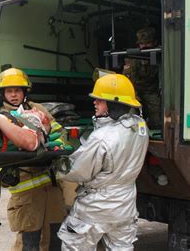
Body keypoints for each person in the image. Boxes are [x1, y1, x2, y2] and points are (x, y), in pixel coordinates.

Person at [0, 67, 68, 251]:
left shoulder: (37, 110)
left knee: (55, 242)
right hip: (25, 191)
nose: (14, 95)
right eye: (9, 91)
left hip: (52, 187)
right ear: (3, 94)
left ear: (24, 92)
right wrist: (2, 174)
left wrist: (53, 144)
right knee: (29, 244)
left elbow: (59, 133)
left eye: (17, 90)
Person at [57, 73, 149, 250]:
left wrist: (57, 165)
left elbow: (78, 171)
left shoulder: (101, 138)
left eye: (99, 100)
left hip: (95, 208)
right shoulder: (140, 126)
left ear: (113, 105)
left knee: (74, 245)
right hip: (125, 206)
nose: (94, 103)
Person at [123, 26, 161, 129]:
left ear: (154, 42)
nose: (144, 46)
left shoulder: (160, 55)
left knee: (157, 121)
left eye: (148, 43)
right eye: (142, 44)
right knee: (130, 119)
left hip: (152, 91)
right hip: (135, 91)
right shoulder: (133, 58)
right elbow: (128, 80)